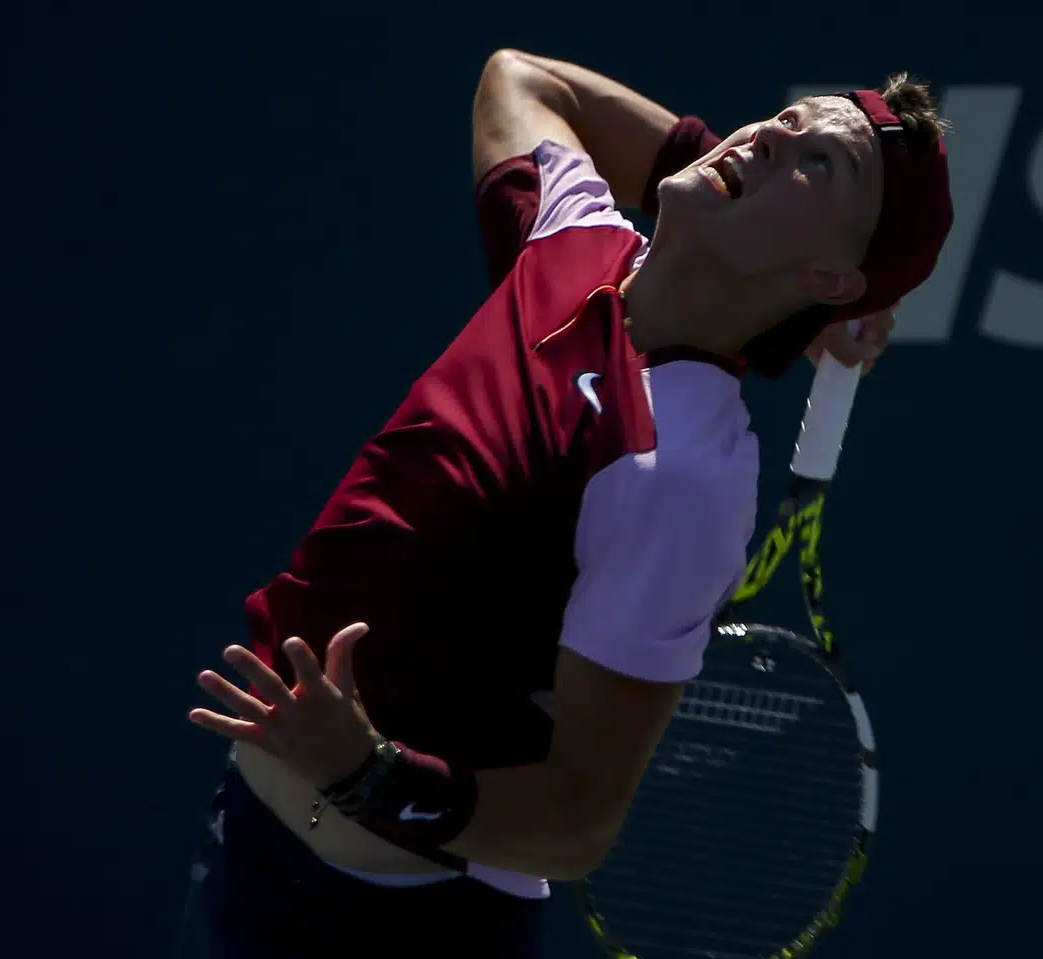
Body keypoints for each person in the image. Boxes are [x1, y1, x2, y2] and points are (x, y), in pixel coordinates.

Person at [176, 49, 953, 958]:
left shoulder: (685, 472)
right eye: (790, 122)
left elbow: (578, 821)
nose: (781, 136)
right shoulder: (569, 235)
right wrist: (724, 177)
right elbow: (520, 79)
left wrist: (370, 775)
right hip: (245, 854)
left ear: (834, 275)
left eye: (825, 163)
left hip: (397, 925)